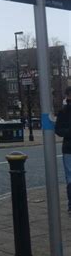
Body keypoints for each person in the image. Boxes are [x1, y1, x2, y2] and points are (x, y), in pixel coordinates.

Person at [55, 86, 71, 214]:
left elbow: (59, 130)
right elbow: (58, 130)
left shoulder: (63, 111)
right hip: (68, 149)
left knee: (70, 178)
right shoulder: (64, 112)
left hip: (68, 149)